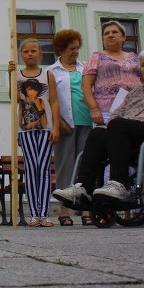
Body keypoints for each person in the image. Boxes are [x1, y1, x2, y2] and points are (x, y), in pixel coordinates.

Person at [53, 46, 144, 204]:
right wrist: (111, 125)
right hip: (128, 129)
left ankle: (119, 184)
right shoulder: (136, 91)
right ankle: (84, 188)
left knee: (119, 125)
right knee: (98, 133)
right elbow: (118, 112)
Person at [8, 39, 59, 228]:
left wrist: (56, 127)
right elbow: (13, 99)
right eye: (26, 51)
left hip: (46, 129)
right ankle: (34, 214)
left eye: (34, 51)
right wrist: (9, 74)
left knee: (43, 168)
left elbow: (53, 101)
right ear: (22, 54)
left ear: (40, 53)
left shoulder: (48, 74)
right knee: (31, 168)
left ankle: (44, 214)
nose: (30, 54)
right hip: (25, 130)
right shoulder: (18, 76)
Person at [46, 30, 92, 226]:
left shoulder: (85, 68)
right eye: (72, 48)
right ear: (62, 49)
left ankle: (86, 211)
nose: (76, 52)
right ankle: (64, 211)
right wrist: (58, 122)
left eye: (77, 48)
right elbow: (49, 101)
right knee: (65, 167)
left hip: (86, 121)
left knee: (86, 166)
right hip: (65, 124)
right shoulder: (52, 71)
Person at [82, 20, 142, 125]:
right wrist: (94, 109)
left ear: (124, 37)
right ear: (103, 39)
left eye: (114, 32)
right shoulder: (96, 57)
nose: (110, 35)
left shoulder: (135, 57)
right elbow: (86, 85)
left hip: (135, 107)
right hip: (106, 111)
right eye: (106, 33)